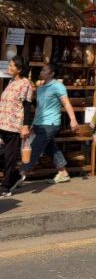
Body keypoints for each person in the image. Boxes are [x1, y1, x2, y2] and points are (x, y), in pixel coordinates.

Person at [21, 63, 79, 183]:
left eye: (45, 70)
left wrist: (73, 119)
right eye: (42, 70)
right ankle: (63, 172)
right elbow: (39, 108)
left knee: (34, 148)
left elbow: (66, 103)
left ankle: (20, 175)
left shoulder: (58, 86)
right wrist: (32, 124)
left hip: (50, 123)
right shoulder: (41, 88)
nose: (41, 72)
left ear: (52, 73)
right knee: (50, 147)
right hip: (39, 123)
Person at [0, 56, 34, 197]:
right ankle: (14, 176)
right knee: (3, 155)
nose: (9, 67)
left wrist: (25, 125)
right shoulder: (11, 81)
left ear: (19, 69)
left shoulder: (25, 83)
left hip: (14, 126)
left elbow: (27, 106)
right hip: (2, 123)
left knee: (10, 157)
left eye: (11, 65)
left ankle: (6, 186)